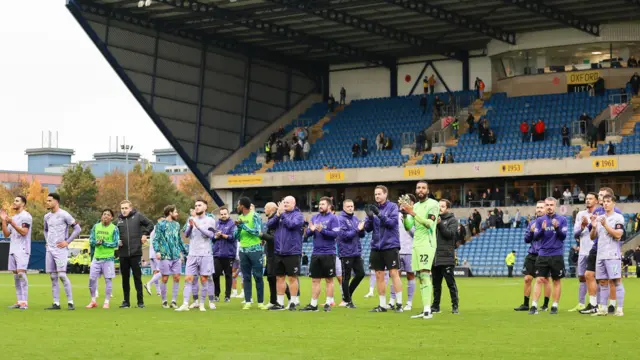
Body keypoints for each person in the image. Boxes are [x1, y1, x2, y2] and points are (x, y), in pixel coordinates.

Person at [579, 187, 622, 315]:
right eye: (600, 196)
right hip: (596, 247)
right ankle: (594, 304)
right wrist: (587, 225)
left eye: (603, 196)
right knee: (589, 274)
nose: (601, 199)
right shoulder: (598, 211)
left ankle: (612, 305)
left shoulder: (617, 213)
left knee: (611, 279)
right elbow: (592, 230)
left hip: (610, 250)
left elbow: (619, 234)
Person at [400, 181, 440, 319]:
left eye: (423, 188)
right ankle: (426, 308)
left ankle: (428, 310)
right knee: (421, 277)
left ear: (428, 190)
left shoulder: (434, 204)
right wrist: (405, 215)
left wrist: (412, 212)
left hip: (427, 244)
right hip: (416, 244)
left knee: (424, 274)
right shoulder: (415, 205)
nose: (420, 190)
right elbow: (408, 226)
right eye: (418, 188)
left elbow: (429, 223)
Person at [365, 185, 403, 313]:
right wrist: (370, 218)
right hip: (376, 246)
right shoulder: (373, 208)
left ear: (385, 194)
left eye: (379, 194)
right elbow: (367, 228)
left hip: (390, 245)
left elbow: (392, 223)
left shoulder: (392, 207)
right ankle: (382, 305)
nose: (377, 196)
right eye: (375, 194)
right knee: (379, 275)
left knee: (394, 273)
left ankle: (399, 304)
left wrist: (378, 214)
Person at [299, 197, 340, 312]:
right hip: (316, 253)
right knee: (315, 280)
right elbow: (307, 234)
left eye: (323, 204)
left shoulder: (333, 218)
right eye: (320, 204)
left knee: (329, 280)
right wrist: (311, 230)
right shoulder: (315, 217)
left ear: (329, 206)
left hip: (329, 253)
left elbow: (335, 234)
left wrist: (322, 230)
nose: (320, 206)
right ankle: (313, 304)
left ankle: (328, 303)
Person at [528, 197, 568, 315]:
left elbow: (563, 237)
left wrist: (557, 228)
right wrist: (542, 230)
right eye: (547, 205)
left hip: (556, 254)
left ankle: (554, 305)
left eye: (551, 205)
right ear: (544, 206)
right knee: (539, 279)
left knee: (556, 280)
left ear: (555, 205)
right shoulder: (540, 221)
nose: (549, 207)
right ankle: (534, 305)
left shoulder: (562, 219)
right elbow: (535, 237)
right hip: (543, 254)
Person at [42, 193, 81, 311]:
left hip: (60, 251)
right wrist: (47, 241)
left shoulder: (64, 214)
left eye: (49, 200)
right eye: (47, 200)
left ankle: (70, 302)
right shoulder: (46, 217)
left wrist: (67, 242)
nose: (47, 202)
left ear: (56, 202)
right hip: (50, 250)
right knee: (53, 276)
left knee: (62, 275)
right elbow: (45, 230)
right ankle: (56, 303)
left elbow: (78, 228)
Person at [176, 200, 216, 312]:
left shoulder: (210, 220)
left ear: (205, 207)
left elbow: (211, 235)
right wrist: (190, 226)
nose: (197, 207)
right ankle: (185, 304)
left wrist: (198, 227)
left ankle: (202, 304)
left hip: (205, 254)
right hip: (192, 253)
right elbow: (187, 235)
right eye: (196, 206)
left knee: (204, 279)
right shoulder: (192, 220)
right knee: (188, 279)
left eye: (199, 205)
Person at [589, 194, 625, 316]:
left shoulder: (618, 218)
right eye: (604, 201)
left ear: (613, 203)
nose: (605, 204)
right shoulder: (599, 218)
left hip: (612, 255)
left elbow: (618, 235)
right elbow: (592, 237)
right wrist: (594, 228)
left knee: (616, 281)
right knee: (603, 282)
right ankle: (603, 309)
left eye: (608, 201)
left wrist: (605, 225)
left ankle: (619, 309)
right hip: (601, 255)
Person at [267, 196, 305, 311]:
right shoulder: (280, 215)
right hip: (279, 251)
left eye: (287, 202)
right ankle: (280, 302)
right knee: (279, 277)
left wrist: (282, 214)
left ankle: (293, 301)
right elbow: (269, 225)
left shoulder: (298, 215)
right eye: (284, 202)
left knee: (292, 277)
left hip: (292, 251)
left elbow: (292, 225)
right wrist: (278, 215)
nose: (285, 204)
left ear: (294, 204)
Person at [514, 201, 551, 312]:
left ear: (545, 209)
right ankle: (526, 304)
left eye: (541, 207)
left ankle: (545, 305)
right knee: (527, 279)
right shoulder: (532, 223)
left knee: (545, 280)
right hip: (532, 254)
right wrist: (531, 231)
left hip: (545, 255)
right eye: (537, 207)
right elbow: (526, 240)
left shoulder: (550, 223)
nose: (539, 209)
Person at [115, 200, 153, 309]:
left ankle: (140, 302)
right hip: (123, 254)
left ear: (130, 208)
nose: (124, 210)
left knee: (137, 278)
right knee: (125, 279)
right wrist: (116, 241)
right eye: (122, 208)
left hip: (136, 253)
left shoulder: (138, 216)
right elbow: (113, 234)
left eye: (126, 208)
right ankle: (126, 302)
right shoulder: (118, 221)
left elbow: (150, 224)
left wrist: (145, 234)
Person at [235, 197, 267, 310]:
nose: (237, 206)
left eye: (238, 204)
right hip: (243, 250)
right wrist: (238, 228)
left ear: (243, 206)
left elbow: (258, 232)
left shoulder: (255, 216)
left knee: (258, 276)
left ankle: (260, 302)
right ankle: (248, 301)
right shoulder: (239, 217)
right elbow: (237, 237)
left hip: (255, 250)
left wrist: (243, 226)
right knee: (246, 277)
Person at [568, 192, 598, 313]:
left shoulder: (599, 214)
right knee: (581, 277)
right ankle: (581, 303)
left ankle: (597, 304)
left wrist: (590, 225)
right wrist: (582, 226)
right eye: (586, 198)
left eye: (590, 198)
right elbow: (575, 233)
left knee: (596, 278)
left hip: (595, 250)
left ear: (596, 201)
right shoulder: (581, 214)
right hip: (583, 251)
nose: (587, 200)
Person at [153, 205, 187, 309]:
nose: (177, 214)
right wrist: (157, 251)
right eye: (175, 212)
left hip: (176, 255)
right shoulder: (161, 224)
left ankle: (173, 301)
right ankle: (164, 301)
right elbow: (156, 239)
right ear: (170, 213)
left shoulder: (177, 225)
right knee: (165, 278)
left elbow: (179, 240)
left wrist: (186, 252)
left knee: (177, 278)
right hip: (165, 255)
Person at [1, 196, 32, 310]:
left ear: (23, 204)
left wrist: (11, 222)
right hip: (13, 249)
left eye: (17, 201)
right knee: (15, 276)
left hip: (22, 249)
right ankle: (19, 301)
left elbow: (24, 232)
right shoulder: (13, 217)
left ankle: (25, 301)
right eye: (14, 200)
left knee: (21, 274)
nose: (14, 202)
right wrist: (4, 221)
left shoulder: (26, 216)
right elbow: (6, 234)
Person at [85, 209, 119, 309]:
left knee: (108, 280)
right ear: (101, 216)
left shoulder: (114, 228)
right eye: (104, 214)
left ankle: (106, 301)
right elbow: (91, 240)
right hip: (96, 258)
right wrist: (96, 242)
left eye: (108, 215)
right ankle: (93, 301)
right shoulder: (96, 226)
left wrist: (104, 243)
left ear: (111, 218)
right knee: (91, 279)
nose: (105, 216)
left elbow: (116, 243)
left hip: (108, 258)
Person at [336, 199, 365, 309]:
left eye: (352, 206)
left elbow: (361, 235)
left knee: (361, 273)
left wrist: (362, 230)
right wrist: (357, 229)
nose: (350, 208)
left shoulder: (355, 218)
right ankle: (348, 301)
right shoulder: (340, 219)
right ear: (343, 207)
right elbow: (344, 236)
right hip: (346, 252)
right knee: (346, 277)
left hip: (356, 251)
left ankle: (347, 295)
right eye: (348, 206)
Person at [431, 199, 459, 314]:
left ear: (447, 208)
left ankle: (455, 305)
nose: (440, 208)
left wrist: (439, 224)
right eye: (439, 206)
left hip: (446, 257)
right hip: (435, 257)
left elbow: (450, 235)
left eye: (442, 206)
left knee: (450, 284)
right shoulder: (432, 219)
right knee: (436, 285)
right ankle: (435, 306)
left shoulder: (452, 220)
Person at [392, 195, 417, 311]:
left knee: (410, 275)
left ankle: (409, 302)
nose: (403, 205)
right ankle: (392, 301)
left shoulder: (415, 216)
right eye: (402, 203)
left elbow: (415, 234)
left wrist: (406, 221)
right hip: (397, 249)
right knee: (395, 275)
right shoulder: (395, 216)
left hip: (410, 250)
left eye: (406, 202)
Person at [213, 206, 236, 304]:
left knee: (228, 275)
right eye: (221, 214)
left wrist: (222, 235)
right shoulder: (216, 224)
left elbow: (233, 237)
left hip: (229, 254)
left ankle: (227, 296)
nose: (223, 216)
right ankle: (216, 295)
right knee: (215, 275)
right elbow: (212, 239)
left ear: (228, 214)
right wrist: (216, 236)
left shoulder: (232, 224)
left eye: (225, 214)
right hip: (217, 254)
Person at [144, 216, 164, 297]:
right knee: (161, 271)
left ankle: (158, 291)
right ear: (158, 220)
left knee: (155, 272)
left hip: (151, 254)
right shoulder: (159, 229)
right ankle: (149, 283)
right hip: (157, 253)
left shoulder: (153, 230)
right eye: (162, 220)